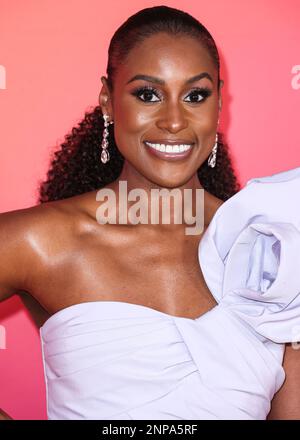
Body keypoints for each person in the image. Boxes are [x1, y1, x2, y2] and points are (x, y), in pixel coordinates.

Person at [0, 5, 299, 420]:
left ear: (218, 104)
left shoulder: (275, 246)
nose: (174, 121)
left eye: (196, 96)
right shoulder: (39, 242)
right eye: (147, 94)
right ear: (107, 101)